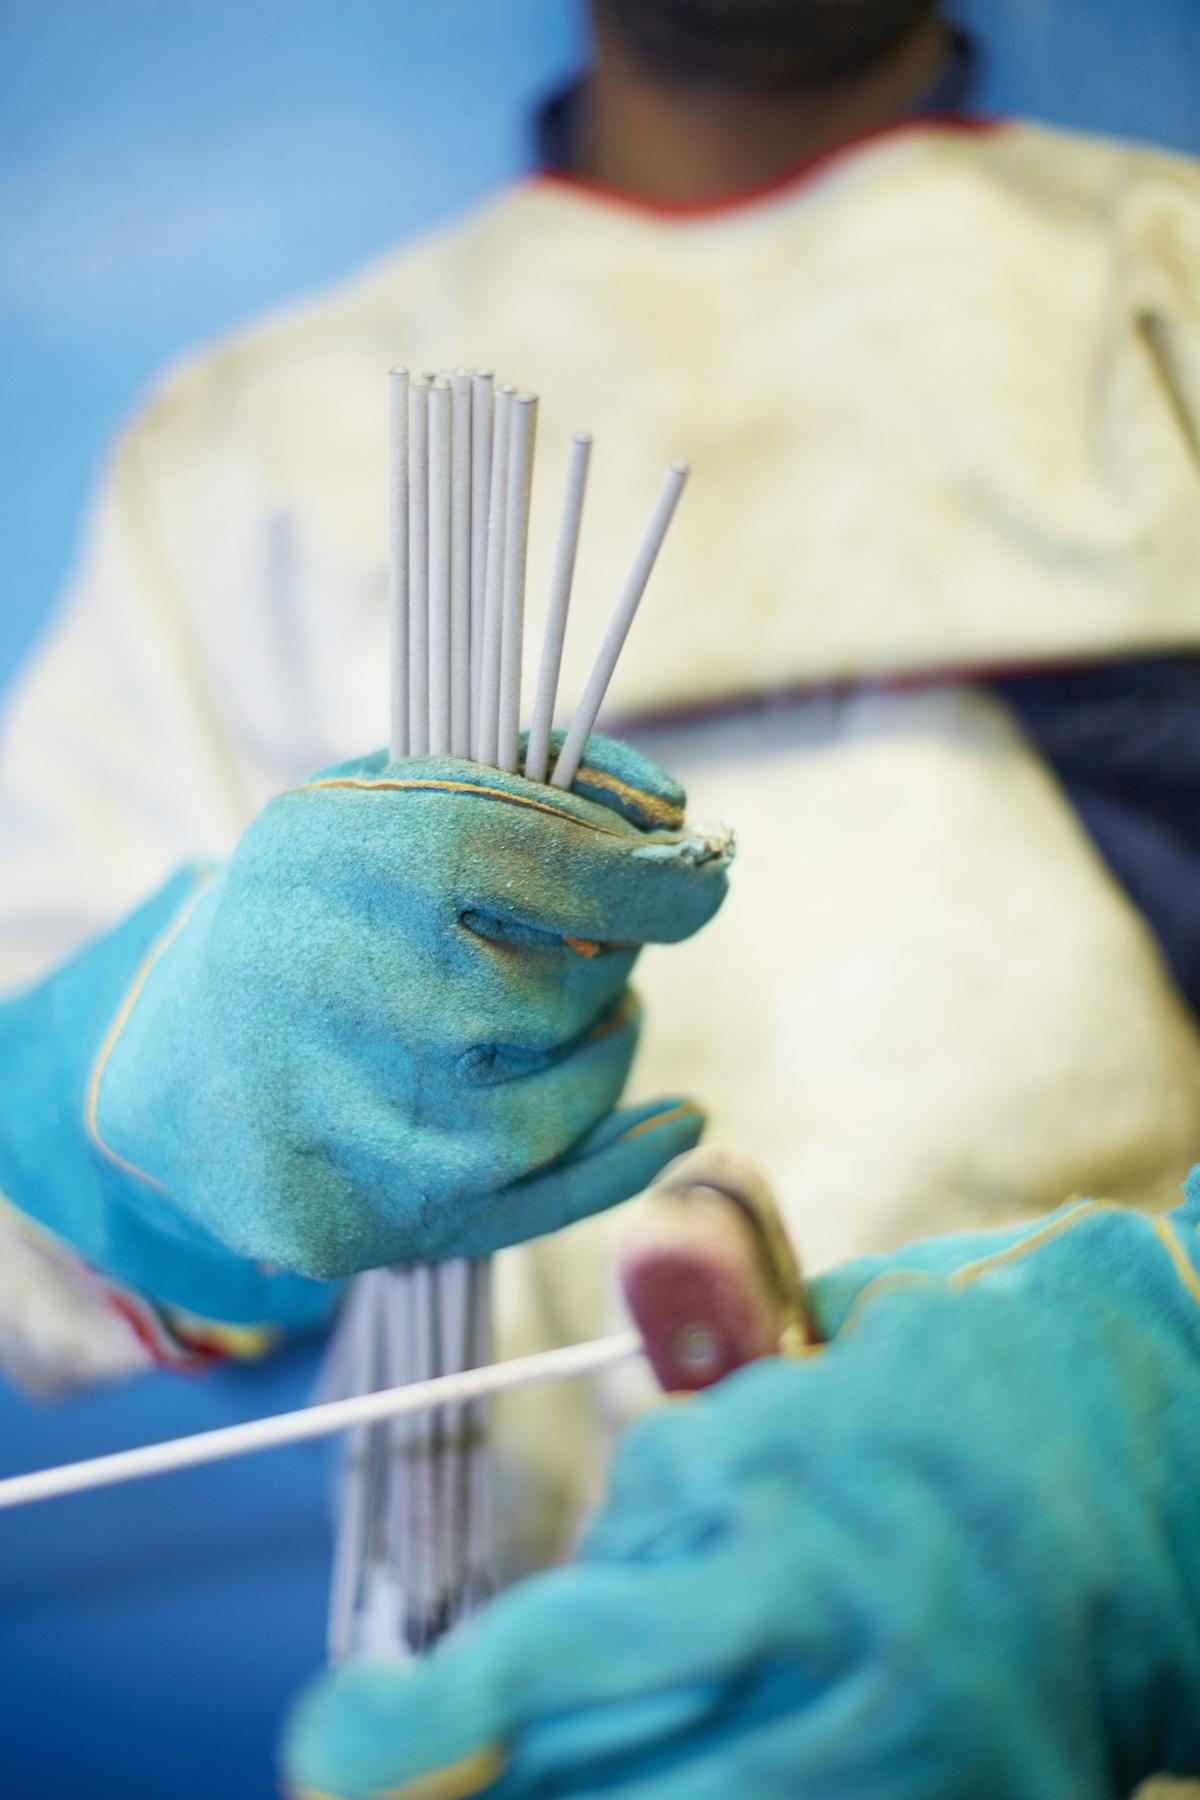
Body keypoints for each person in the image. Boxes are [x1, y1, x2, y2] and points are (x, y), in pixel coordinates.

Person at [2, 0, 1200, 1788]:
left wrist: (1142, 1431)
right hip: (513, 1712)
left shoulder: (1162, 292)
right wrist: (127, 1101)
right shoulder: (250, 446)